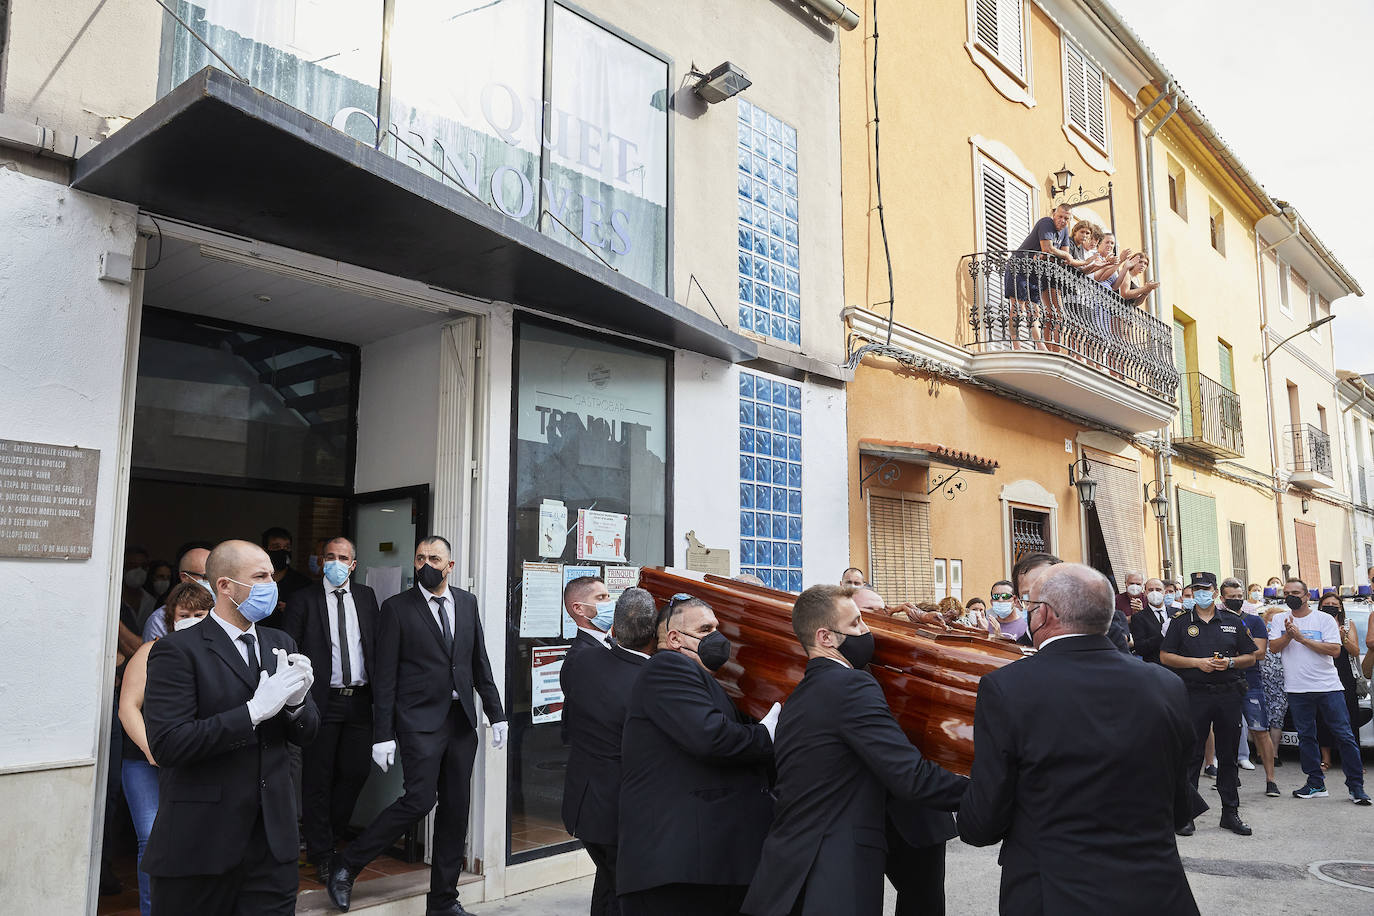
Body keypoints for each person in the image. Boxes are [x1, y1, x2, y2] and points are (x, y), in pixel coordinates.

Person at [959, 564, 1202, 913]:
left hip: (1055, 891)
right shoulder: (1165, 685)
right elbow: (1179, 805)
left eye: (1029, 605)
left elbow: (984, 819)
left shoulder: (1007, 687)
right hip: (1156, 891)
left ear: (1043, 614)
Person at [742, 586, 966, 916]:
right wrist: (990, 791)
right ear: (826, 637)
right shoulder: (851, 686)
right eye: (858, 623)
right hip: (835, 874)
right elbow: (910, 776)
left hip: (789, 870)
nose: (867, 630)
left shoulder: (798, 697)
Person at [328, 536, 507, 914]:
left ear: (450, 566)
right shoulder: (396, 609)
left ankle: (443, 901)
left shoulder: (466, 601)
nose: (426, 564)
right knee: (420, 800)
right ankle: (347, 864)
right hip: (418, 722)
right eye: (420, 557)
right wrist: (383, 735)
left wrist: (497, 712)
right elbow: (386, 675)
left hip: (460, 723)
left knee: (456, 809)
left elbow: (478, 662)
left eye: (434, 558)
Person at [140, 539, 320, 915]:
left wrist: (297, 703)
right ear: (224, 586)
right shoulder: (178, 650)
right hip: (201, 843)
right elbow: (170, 744)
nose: (272, 583)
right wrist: (252, 712)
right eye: (260, 576)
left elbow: (306, 734)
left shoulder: (279, 643)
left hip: (272, 844)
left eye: (272, 575)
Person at [617, 595, 779, 916]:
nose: (716, 637)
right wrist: (767, 733)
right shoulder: (668, 667)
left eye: (717, 628)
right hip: (681, 868)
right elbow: (711, 737)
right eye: (705, 629)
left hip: (700, 867)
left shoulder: (699, 678)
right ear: (674, 638)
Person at [284, 537, 381, 883]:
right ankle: (322, 854)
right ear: (321, 561)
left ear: (353, 564)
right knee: (318, 778)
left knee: (356, 772)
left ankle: (330, 835)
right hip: (320, 701)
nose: (336, 562)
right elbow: (289, 650)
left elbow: (376, 647)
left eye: (343, 557)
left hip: (359, 699)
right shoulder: (302, 600)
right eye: (330, 557)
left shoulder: (367, 598)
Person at [117, 581, 214, 916]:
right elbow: (128, 707)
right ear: (171, 619)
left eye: (199, 614)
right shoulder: (150, 651)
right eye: (183, 614)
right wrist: (152, 751)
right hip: (146, 761)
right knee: (151, 839)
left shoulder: (219, 657)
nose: (191, 619)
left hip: (195, 763)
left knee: (198, 841)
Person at [561, 589, 656, 916]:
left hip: (584, 805)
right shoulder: (650, 682)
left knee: (608, 884)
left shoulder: (582, 661)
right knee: (628, 894)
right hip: (620, 813)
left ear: (613, 629)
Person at [1159, 572, 1259, 836]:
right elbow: (1165, 656)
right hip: (1194, 694)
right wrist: (1197, 663)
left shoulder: (1232, 621)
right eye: (1197, 589)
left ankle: (1230, 813)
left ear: (1215, 593)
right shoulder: (1181, 623)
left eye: (1206, 589)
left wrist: (1231, 663)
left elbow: (1252, 656)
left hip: (1228, 694)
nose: (1202, 594)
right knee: (1191, 756)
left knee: (1227, 755)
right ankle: (1186, 814)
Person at [1268, 581, 1369, 804]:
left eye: (1295, 593)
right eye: (1286, 593)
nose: (1290, 596)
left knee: (1344, 735)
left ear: (1306, 596)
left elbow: (1334, 650)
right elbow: (1274, 648)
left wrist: (1302, 638)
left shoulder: (1323, 619)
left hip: (1328, 687)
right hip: (1296, 688)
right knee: (1306, 737)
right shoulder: (1279, 619)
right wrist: (1288, 636)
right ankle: (1315, 782)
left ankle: (1356, 787)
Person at [1221, 579, 1278, 796]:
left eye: (1238, 596)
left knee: (1260, 731)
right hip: (1224, 682)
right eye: (1231, 597)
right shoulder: (1217, 620)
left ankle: (1271, 780)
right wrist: (1243, 654)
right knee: (1227, 731)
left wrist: (1233, 656)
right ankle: (1228, 778)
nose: (1236, 600)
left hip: (1251, 683)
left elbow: (1261, 653)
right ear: (1222, 598)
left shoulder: (1255, 621)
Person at [1003, 203, 1072, 349]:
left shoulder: (1064, 231)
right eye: (1060, 216)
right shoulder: (1046, 223)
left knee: (1035, 310)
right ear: (1054, 215)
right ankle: (1016, 345)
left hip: (1035, 273)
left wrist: (1058, 253)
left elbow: (1064, 258)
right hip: (1019, 267)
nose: (1062, 220)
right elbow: (1048, 248)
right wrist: (1057, 252)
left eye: (1066, 218)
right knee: (1018, 306)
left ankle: (1040, 345)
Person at [1314, 594, 1364, 770]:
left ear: (1340, 607)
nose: (1330, 606)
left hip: (1345, 675)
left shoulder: (1348, 624)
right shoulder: (1315, 623)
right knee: (1322, 715)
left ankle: (1352, 760)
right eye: (1326, 604)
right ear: (1320, 607)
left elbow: (1356, 651)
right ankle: (1325, 758)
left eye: (1334, 604)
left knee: (1350, 716)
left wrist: (1343, 637)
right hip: (1322, 673)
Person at [143, 544, 213, 641]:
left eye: (216, 575)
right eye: (206, 577)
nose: (214, 582)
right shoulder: (159, 620)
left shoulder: (226, 611)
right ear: (185, 577)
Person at [260, 526, 313, 629]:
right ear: (265, 551)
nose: (282, 551)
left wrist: (294, 610)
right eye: (276, 547)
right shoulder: (255, 581)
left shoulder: (303, 584)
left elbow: (311, 617)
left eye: (287, 548)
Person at [564, 575, 615, 662]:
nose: (609, 602)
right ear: (578, 609)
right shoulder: (580, 656)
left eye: (608, 596)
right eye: (601, 598)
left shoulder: (615, 642)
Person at [1130, 577, 1169, 665]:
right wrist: (1162, 635)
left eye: (1158, 589)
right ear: (1145, 593)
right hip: (1155, 667)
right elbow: (1140, 648)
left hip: (1179, 666)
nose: (1155, 593)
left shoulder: (1176, 612)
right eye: (1151, 590)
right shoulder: (1138, 617)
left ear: (1164, 592)